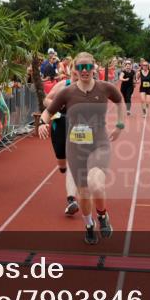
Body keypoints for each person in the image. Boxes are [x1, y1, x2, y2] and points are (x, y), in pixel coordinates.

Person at [39, 52, 125, 245]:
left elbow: (120, 101)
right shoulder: (67, 92)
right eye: (80, 67)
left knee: (96, 184)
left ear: (94, 68)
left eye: (88, 67)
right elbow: (48, 111)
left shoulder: (105, 88)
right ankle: (88, 224)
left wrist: (120, 125)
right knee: (84, 194)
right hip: (76, 147)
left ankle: (102, 216)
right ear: (75, 70)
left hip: (99, 144)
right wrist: (42, 123)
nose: (84, 71)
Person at [45, 62, 80, 216]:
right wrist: (56, 106)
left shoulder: (88, 88)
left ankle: (71, 199)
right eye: (75, 69)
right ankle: (62, 166)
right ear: (70, 70)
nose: (78, 72)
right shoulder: (62, 85)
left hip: (79, 127)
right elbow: (47, 99)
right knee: (62, 160)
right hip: (60, 124)